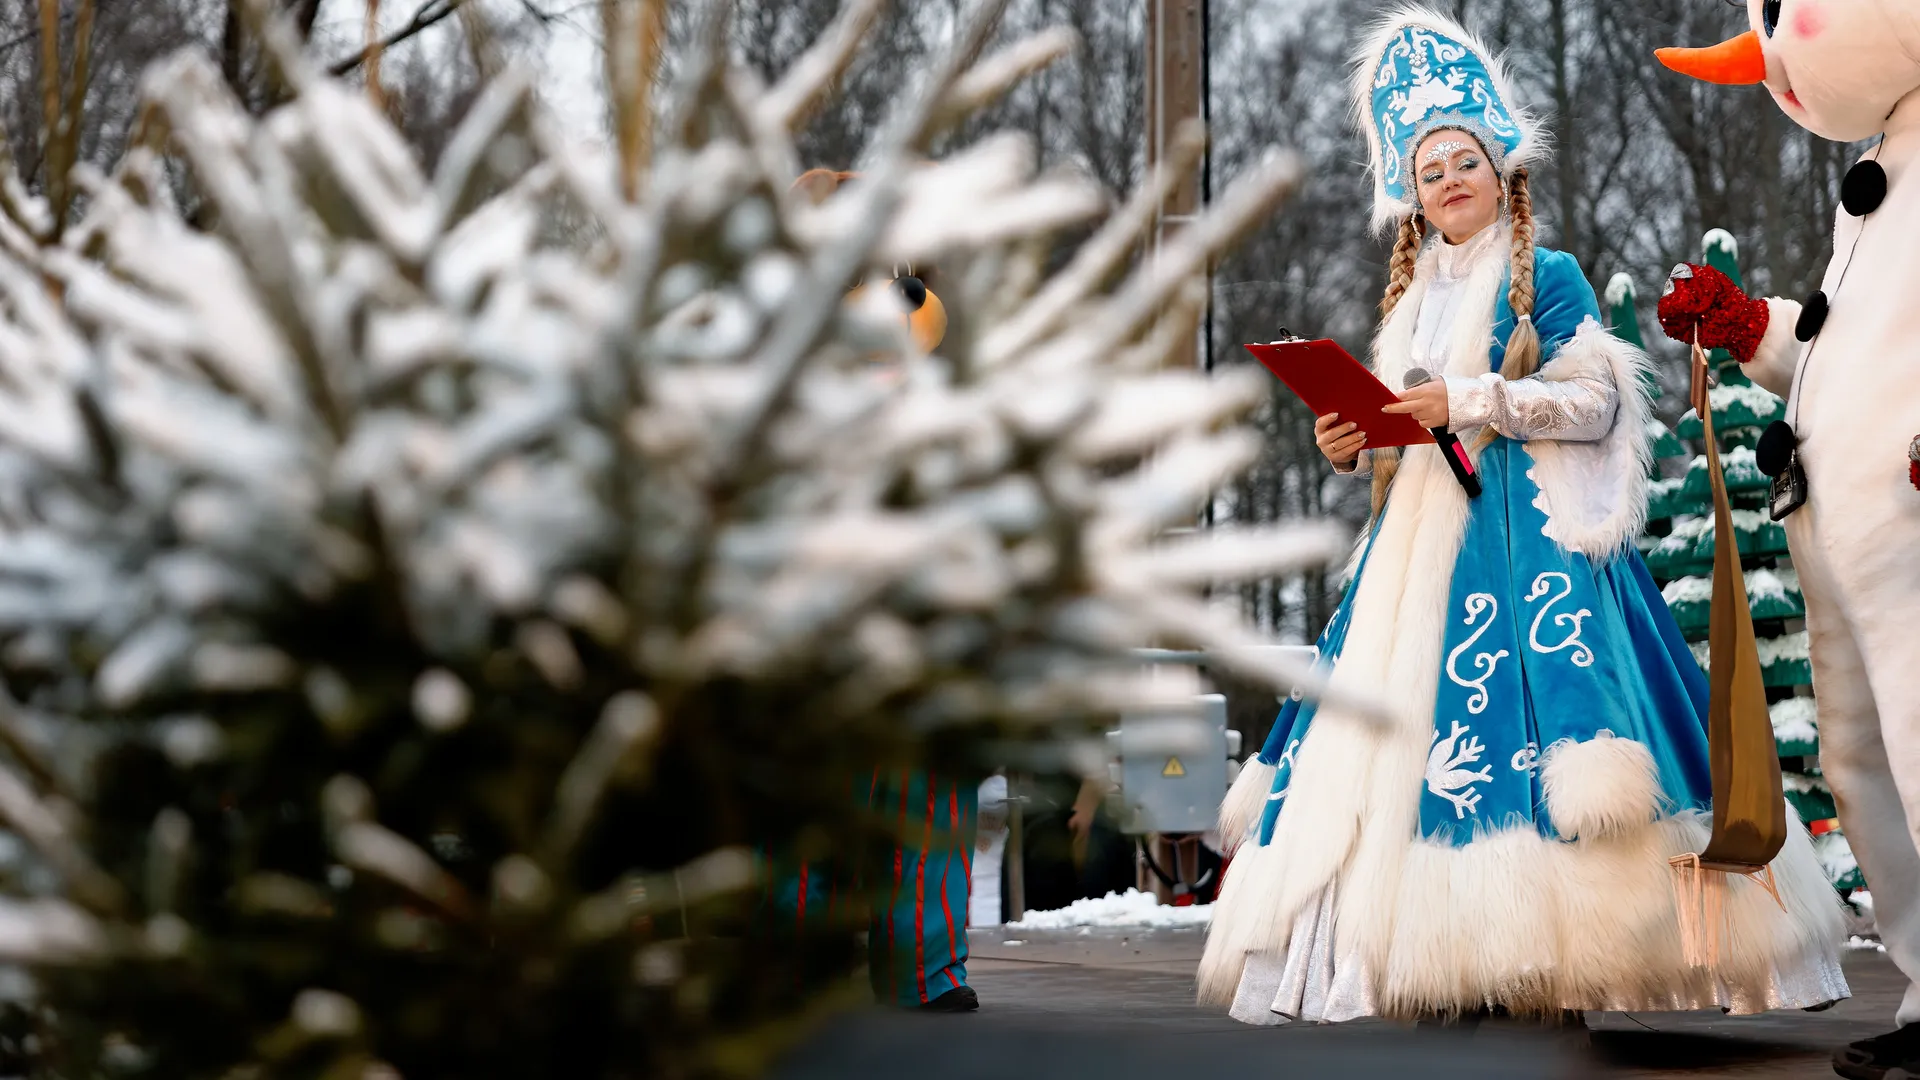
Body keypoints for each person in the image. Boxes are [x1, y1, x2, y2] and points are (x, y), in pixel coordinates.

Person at [1197, 7, 1848, 1031]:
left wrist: (1473, 401)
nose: (1449, 179)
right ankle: (1431, 959)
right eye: (1428, 170)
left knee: (1538, 738)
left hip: (1527, 539)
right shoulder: (1408, 298)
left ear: (1499, 166)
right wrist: (1355, 435)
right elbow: (1405, 416)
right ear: (1409, 196)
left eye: (1464, 160)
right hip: (1414, 548)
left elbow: (1596, 405)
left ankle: (1552, 958)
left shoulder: (1546, 275)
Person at [1649, 11, 1920, 1079]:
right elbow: (1833, 351)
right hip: (1844, 535)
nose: (1766, 48)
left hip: (1903, 524)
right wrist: (1746, 325)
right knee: (1866, 770)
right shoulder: (1884, 171)